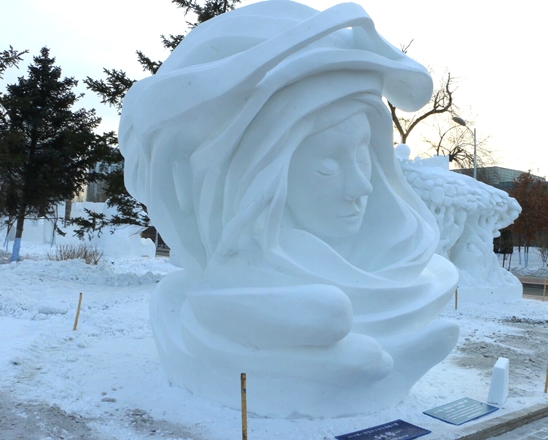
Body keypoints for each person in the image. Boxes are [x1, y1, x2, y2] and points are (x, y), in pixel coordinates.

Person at [119, 0, 459, 417]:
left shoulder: (404, 264)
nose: (361, 186)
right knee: (327, 314)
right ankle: (361, 365)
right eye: (327, 166)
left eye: (363, 155)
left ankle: (371, 364)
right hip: (254, 320)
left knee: (358, 306)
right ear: (270, 173)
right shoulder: (239, 266)